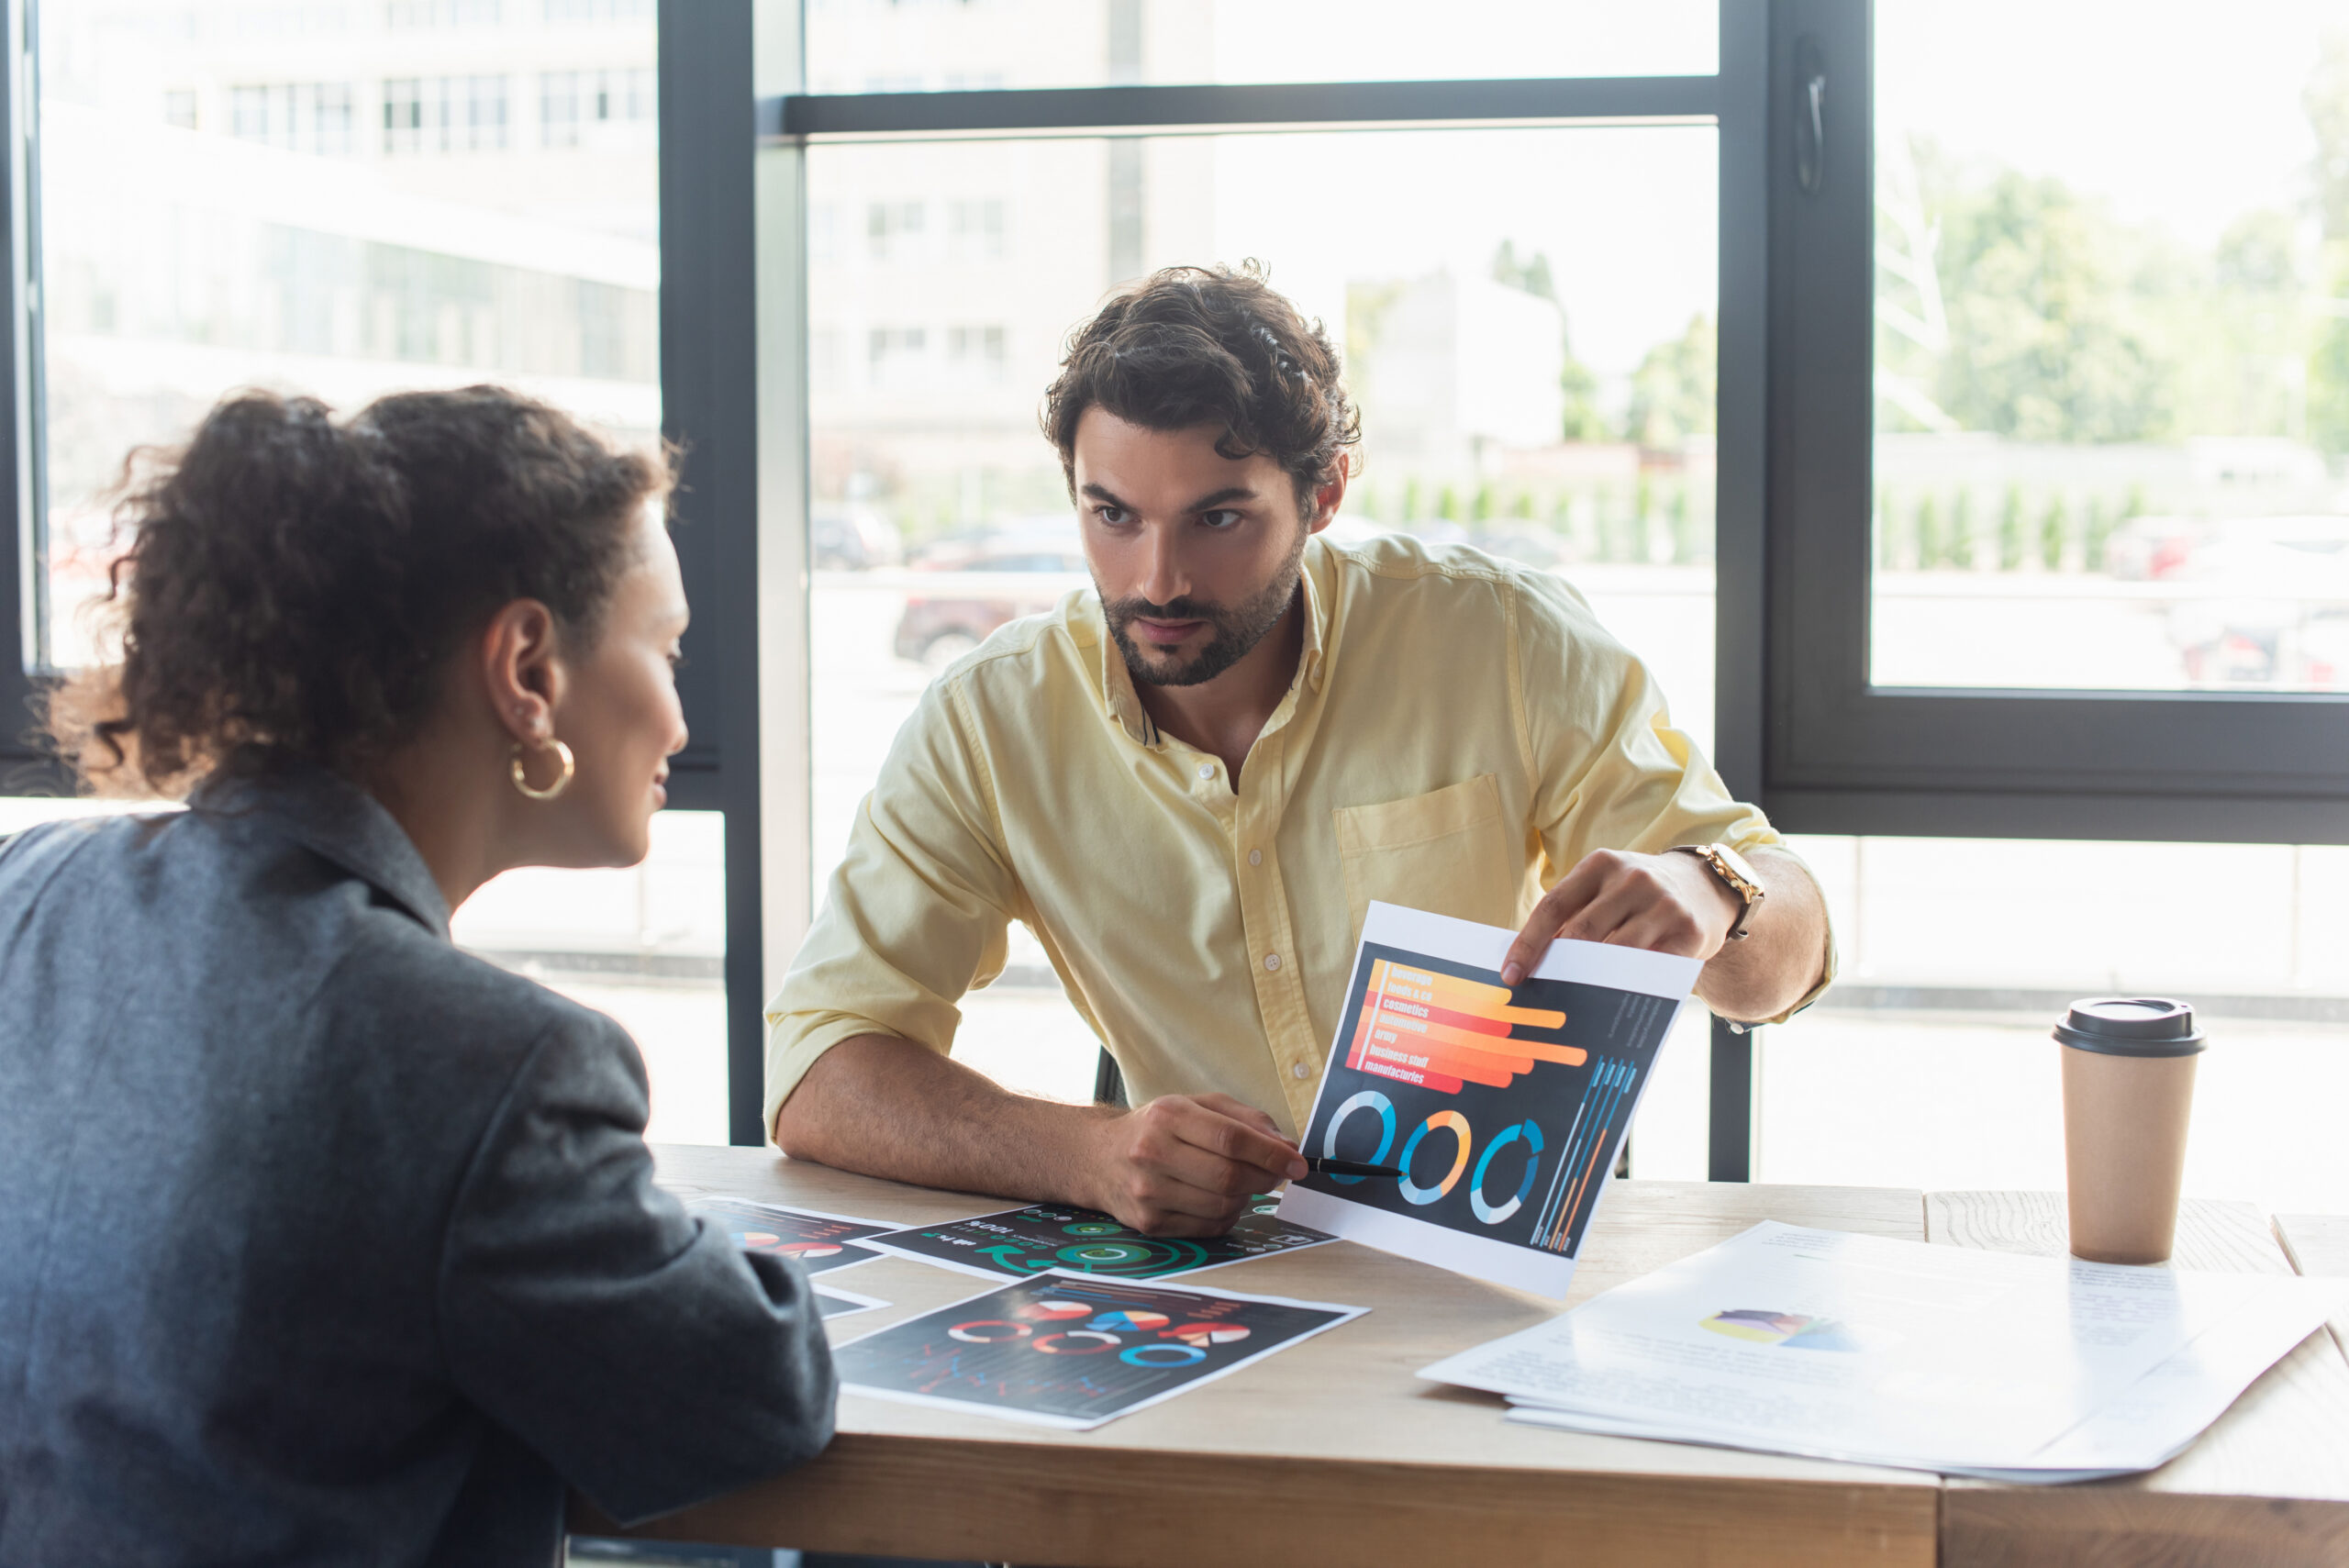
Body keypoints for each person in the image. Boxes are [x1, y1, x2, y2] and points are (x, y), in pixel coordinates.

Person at [768, 262, 1833, 1239]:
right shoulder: (989, 720)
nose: (1157, 579)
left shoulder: (1502, 641)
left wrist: (1714, 889)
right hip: (1206, 1280)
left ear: (1321, 496)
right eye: (1113, 514)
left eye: (1217, 518)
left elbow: (1781, 966)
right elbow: (815, 1068)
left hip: (1481, 1258)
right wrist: (1088, 1152)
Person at [0, 388, 835, 1565]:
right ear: (527, 667)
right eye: (668, 646)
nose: (680, 716)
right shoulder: (488, 1061)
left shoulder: (28, 889)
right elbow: (757, 1396)